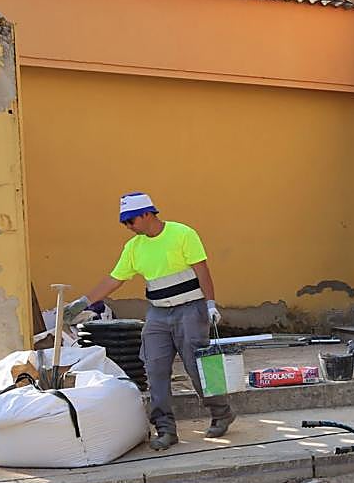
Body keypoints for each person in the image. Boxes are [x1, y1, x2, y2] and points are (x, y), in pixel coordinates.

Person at [63, 192, 235, 449]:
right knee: (154, 369)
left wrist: (210, 303)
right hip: (158, 312)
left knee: (200, 365)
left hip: (191, 309)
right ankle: (165, 429)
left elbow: (202, 271)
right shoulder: (134, 248)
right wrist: (82, 302)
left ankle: (222, 413)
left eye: (130, 221)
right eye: (124, 223)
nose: (128, 227)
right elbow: (114, 279)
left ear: (147, 214)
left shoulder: (182, 234)